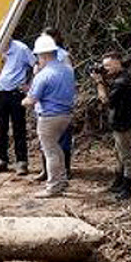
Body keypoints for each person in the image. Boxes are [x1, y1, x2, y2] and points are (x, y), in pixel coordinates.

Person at [24, 34, 76, 198]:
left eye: (38, 56)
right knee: (57, 148)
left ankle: (53, 186)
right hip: (65, 115)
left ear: (44, 55)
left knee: (50, 152)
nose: (37, 60)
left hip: (49, 117)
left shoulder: (43, 75)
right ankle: (62, 179)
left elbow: (32, 100)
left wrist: (24, 100)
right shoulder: (68, 70)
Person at [95, 53, 131, 201]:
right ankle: (119, 183)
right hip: (124, 122)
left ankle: (127, 188)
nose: (105, 69)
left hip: (123, 124)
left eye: (107, 66)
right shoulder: (123, 78)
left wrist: (99, 83)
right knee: (119, 154)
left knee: (126, 156)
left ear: (117, 63)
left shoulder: (122, 82)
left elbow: (106, 101)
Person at [0, 37, 35, 174]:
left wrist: (30, 86)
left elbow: (36, 65)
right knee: (0, 128)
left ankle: (22, 162)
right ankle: (1, 160)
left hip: (16, 93)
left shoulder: (21, 49)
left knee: (19, 127)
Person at [42, 26, 75, 178]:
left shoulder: (63, 56)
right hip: (44, 103)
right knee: (47, 141)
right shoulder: (40, 55)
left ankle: (65, 170)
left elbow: (69, 79)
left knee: (63, 139)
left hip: (60, 103)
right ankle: (47, 171)